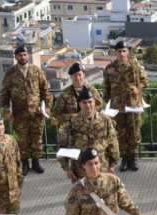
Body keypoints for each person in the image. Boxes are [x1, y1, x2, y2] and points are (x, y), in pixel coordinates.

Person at [0, 45, 52, 175]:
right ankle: (25, 164)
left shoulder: (36, 71)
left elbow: (45, 90)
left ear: (27, 55)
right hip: (19, 113)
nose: (22, 57)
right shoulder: (10, 73)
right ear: (16, 57)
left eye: (24, 54)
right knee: (22, 140)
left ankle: (36, 162)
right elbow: (4, 94)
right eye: (20, 55)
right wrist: (7, 111)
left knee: (37, 139)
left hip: (37, 113)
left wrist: (47, 107)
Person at [103, 40, 149, 172]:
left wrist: (137, 89)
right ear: (115, 53)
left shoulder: (134, 66)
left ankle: (133, 158)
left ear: (127, 52)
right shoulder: (110, 68)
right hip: (117, 106)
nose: (122, 54)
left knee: (134, 131)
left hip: (133, 105)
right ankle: (124, 158)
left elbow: (145, 80)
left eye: (124, 51)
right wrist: (105, 105)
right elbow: (106, 87)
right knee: (121, 133)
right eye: (119, 51)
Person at [58, 87, 120, 182]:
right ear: (80, 104)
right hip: (80, 169)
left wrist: (112, 164)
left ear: (94, 102)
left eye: (90, 102)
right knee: (82, 195)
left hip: (101, 166)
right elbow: (62, 147)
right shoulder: (72, 123)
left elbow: (113, 142)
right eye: (84, 103)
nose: (88, 105)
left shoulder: (105, 120)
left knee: (102, 194)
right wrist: (66, 168)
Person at [53, 62, 104, 126]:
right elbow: (57, 114)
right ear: (71, 77)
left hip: (91, 126)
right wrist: (72, 116)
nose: (77, 78)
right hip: (72, 128)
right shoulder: (64, 94)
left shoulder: (92, 90)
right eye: (75, 75)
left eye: (79, 75)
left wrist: (89, 113)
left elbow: (100, 107)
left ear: (84, 75)